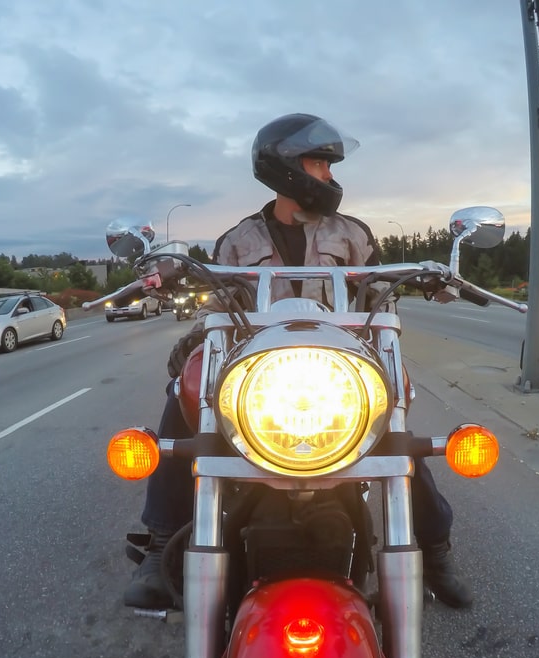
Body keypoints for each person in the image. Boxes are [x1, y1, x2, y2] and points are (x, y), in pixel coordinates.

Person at [124, 113, 472, 610]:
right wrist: (195, 339)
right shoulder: (239, 241)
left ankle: (436, 552)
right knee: (185, 396)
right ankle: (160, 547)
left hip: (336, 371)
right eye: (319, 163)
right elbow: (221, 308)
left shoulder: (352, 234)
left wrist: (426, 280)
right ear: (285, 167)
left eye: (329, 165)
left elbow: (377, 297)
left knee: (394, 426)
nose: (329, 176)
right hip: (261, 379)